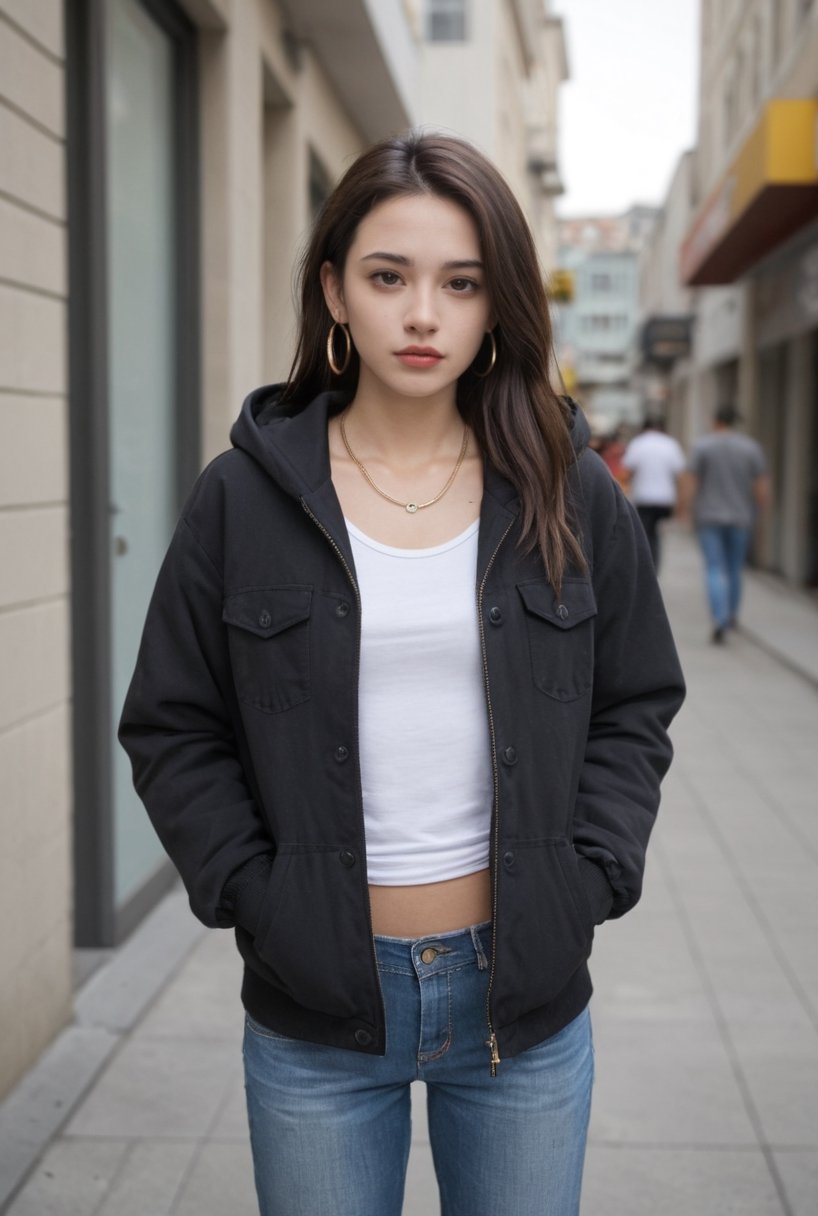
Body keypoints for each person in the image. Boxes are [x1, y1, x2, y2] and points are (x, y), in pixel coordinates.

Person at [119, 133, 685, 1216]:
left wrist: (593, 871)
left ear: (495, 305)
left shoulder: (568, 490)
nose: (423, 315)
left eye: (460, 284)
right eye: (389, 277)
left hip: (520, 997)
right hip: (317, 1003)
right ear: (335, 290)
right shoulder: (242, 497)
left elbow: (634, 700)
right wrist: (256, 895)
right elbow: (173, 724)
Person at [686, 403, 769, 644]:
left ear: (716, 421)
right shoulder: (751, 448)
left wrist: (686, 510)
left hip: (709, 517)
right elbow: (761, 487)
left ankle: (719, 619)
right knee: (734, 569)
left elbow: (692, 481)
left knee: (714, 568)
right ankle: (732, 615)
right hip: (741, 518)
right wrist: (760, 514)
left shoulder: (703, 446)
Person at [622, 416, 686, 568]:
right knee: (656, 534)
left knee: (644, 534)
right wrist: (681, 505)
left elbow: (628, 470)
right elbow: (680, 475)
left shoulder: (637, 443)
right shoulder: (671, 444)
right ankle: (655, 565)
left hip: (643, 497)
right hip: (665, 499)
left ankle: (646, 565)